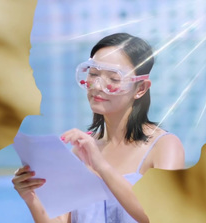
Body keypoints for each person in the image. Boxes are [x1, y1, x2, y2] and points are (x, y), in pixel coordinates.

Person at [12, 33, 185, 223]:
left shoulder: (164, 147)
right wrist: (32, 198)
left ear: (141, 88)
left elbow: (164, 217)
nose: (98, 86)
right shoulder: (81, 151)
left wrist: (100, 165)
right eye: (93, 74)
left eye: (114, 78)